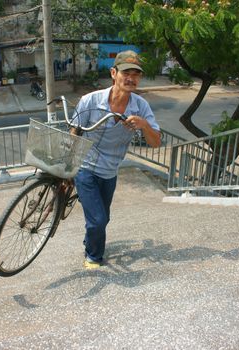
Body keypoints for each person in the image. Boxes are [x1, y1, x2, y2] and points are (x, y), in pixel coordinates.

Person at [70, 50, 161, 269]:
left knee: (102, 219)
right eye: (125, 73)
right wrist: (69, 167)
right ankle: (93, 256)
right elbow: (74, 132)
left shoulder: (140, 106)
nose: (131, 78)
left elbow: (156, 142)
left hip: (110, 172)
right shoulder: (90, 100)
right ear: (114, 73)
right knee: (98, 220)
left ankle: (90, 239)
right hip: (85, 168)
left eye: (136, 74)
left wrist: (144, 125)